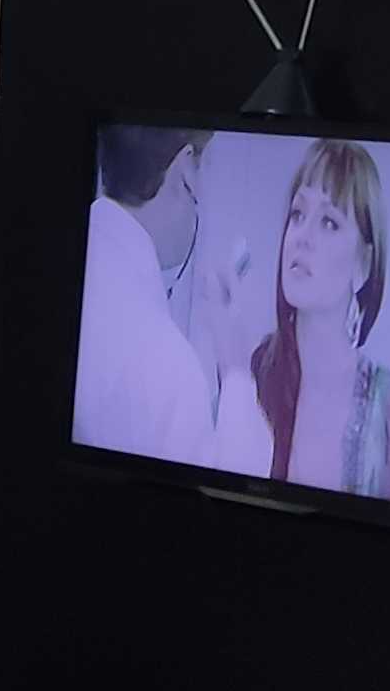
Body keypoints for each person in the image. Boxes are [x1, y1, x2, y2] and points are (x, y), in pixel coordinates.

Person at [250, 139, 390, 503]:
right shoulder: (253, 372)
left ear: (363, 264)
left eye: (329, 222)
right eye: (297, 215)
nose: (302, 238)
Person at [71, 127, 259, 472]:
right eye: (206, 170)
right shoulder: (165, 363)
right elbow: (227, 487)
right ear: (185, 166)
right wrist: (236, 370)